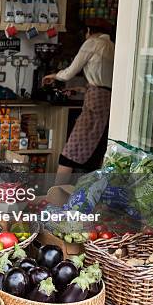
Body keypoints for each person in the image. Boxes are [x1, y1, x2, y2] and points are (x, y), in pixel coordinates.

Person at [43, 19, 115, 183]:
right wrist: (82, 90)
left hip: (95, 102)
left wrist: (54, 76)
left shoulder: (92, 43)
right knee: (96, 149)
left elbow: (69, 73)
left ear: (88, 30)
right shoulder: (112, 45)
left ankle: (55, 196)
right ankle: (86, 194)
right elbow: (104, 83)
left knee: (71, 150)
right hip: (107, 101)